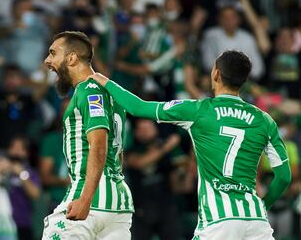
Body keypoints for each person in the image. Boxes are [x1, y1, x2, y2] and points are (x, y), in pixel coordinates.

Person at [89, 50, 292, 240]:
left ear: (217, 74)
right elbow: (283, 177)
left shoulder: (198, 110)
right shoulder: (264, 120)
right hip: (256, 222)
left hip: (219, 222)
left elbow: (138, 107)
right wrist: (263, 206)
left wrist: (103, 80)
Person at [42, 31, 133, 239]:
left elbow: (99, 145)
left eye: (53, 53)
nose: (47, 60)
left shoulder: (89, 90)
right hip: (117, 205)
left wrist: (86, 199)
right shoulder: (111, 93)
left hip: (90, 201)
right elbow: (117, 153)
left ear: (71, 58)